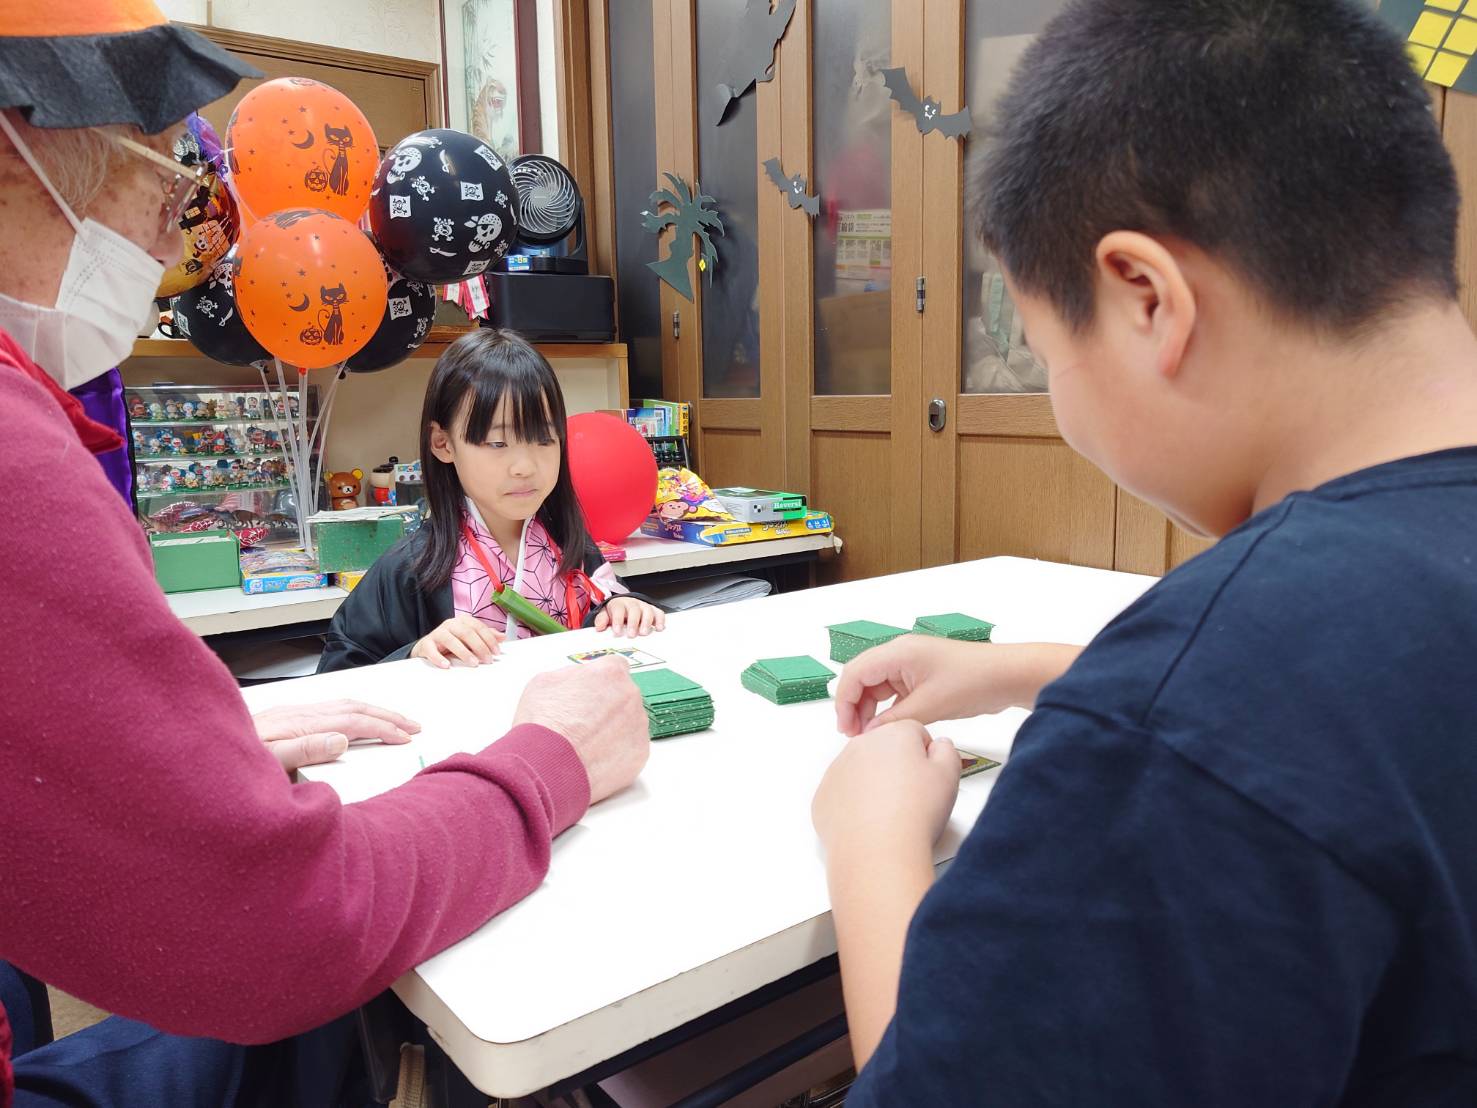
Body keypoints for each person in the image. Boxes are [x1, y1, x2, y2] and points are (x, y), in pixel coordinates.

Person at [813, 0, 1477, 1103]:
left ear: (1145, 299)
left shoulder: (1182, 725)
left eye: (1042, 350)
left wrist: (869, 840)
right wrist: (1033, 671)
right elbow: (1380, 702)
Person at [0, 5, 650, 1105]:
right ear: (21, 147)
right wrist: (550, 762)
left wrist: (153, 752)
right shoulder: (410, 564)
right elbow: (277, 927)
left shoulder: (571, 549)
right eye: (165, 182)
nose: (170, 244)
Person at [318, 328, 665, 672]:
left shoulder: (568, 540)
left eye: (544, 439)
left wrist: (624, 608)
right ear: (443, 444)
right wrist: (416, 653)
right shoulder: (410, 567)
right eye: (498, 443)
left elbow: (603, 611)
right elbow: (337, 672)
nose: (525, 467)